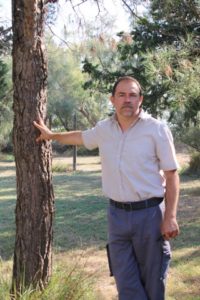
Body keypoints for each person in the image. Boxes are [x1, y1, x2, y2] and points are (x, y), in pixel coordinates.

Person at [34, 76, 180, 300]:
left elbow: (171, 175)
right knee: (126, 283)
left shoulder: (156, 129)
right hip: (117, 217)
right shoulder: (104, 130)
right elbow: (80, 137)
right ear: (112, 100)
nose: (127, 100)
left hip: (150, 216)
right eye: (121, 95)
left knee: (153, 284)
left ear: (140, 100)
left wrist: (170, 216)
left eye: (132, 95)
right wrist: (52, 136)